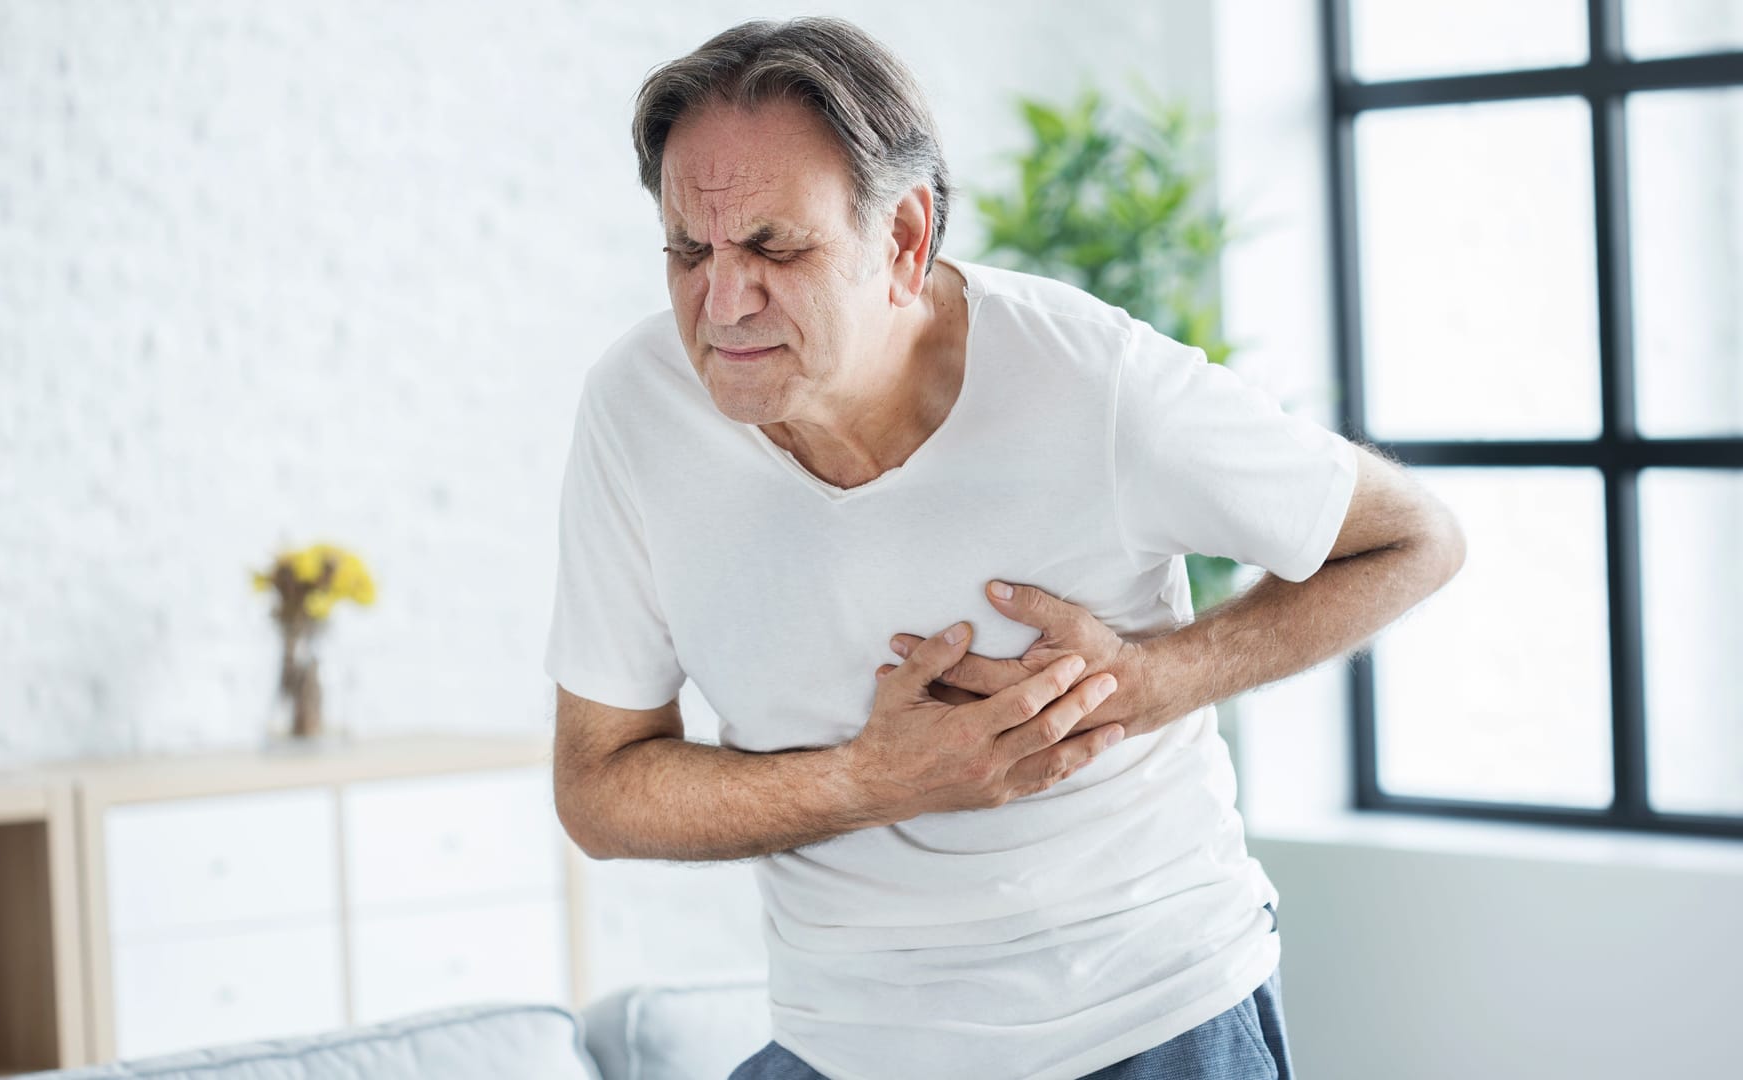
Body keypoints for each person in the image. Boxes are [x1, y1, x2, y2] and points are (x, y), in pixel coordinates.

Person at [545, 16, 1464, 1080]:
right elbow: (600, 792)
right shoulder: (636, 411)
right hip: (845, 1043)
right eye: (688, 250)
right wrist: (874, 780)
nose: (722, 302)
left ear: (902, 240)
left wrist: (1154, 680)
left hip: (1150, 1021)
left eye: (773, 247)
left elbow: (1413, 539)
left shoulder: (1095, 383)